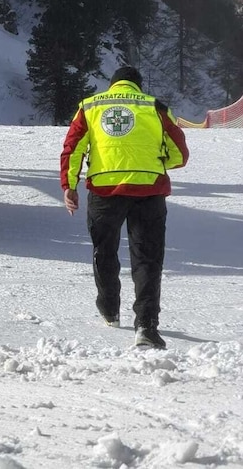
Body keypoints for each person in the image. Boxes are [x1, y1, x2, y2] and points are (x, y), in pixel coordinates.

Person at [60, 66, 189, 349]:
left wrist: (69, 185)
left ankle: (110, 310)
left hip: (104, 190)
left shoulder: (90, 106)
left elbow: (73, 147)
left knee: (104, 250)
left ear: (113, 84)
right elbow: (180, 154)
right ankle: (146, 327)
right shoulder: (155, 106)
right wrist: (155, 162)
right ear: (137, 85)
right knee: (147, 259)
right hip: (149, 189)